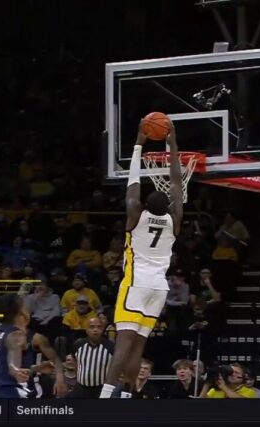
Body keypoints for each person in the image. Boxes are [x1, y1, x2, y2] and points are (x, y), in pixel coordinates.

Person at [100, 119, 183, 399]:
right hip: (159, 289)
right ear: (168, 206)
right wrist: (171, 146)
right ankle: (128, 395)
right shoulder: (175, 220)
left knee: (123, 342)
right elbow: (175, 181)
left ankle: (106, 395)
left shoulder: (135, 215)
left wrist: (138, 144)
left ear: (145, 204)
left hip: (136, 284)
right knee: (138, 346)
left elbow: (132, 184)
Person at [0, 295, 66, 398]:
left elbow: (8, 367)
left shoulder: (0, 334)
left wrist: (37, 368)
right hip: (15, 392)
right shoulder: (16, 335)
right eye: (25, 307)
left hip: (1, 391)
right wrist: (16, 371)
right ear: (20, 312)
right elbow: (13, 367)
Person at [67, 318, 114, 398]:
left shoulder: (110, 347)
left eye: (99, 327)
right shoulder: (78, 345)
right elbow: (75, 362)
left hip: (101, 389)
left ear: (103, 329)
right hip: (81, 388)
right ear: (86, 330)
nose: (95, 330)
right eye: (92, 327)